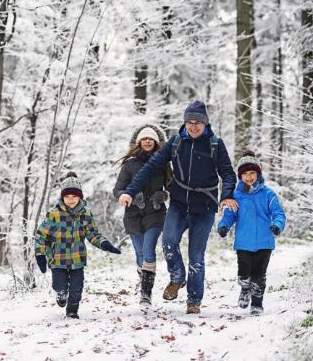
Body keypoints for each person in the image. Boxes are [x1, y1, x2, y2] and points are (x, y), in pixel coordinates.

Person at [118, 101, 237, 314]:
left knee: (196, 255)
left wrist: (227, 195)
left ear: (205, 123)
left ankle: (193, 300)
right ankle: (177, 277)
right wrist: (129, 190)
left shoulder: (215, 144)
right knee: (169, 241)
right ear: (184, 122)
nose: (193, 127)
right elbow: (150, 167)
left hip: (205, 206)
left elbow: (227, 172)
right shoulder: (175, 143)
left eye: (198, 123)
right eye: (190, 122)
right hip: (179, 204)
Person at [35, 172, 121, 319]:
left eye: (74, 196)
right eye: (67, 196)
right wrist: (40, 254)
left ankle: (72, 310)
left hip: (77, 258)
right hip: (58, 259)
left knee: (77, 288)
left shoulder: (85, 214)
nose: (71, 200)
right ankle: (61, 293)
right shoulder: (54, 214)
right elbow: (41, 235)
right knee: (59, 285)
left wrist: (104, 244)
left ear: (80, 196)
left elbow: (92, 234)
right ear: (62, 197)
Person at [216, 150, 286, 316]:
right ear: (240, 176)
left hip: (264, 242)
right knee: (244, 273)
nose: (249, 177)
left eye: (252, 173)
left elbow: (278, 213)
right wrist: (224, 226)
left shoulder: (268, 194)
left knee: (259, 276)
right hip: (243, 242)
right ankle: (244, 289)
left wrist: (277, 225)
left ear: (258, 174)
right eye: (245, 174)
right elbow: (229, 215)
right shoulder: (235, 196)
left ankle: (257, 304)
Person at [112, 124, 169, 306]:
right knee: (139, 253)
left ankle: (146, 292)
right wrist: (126, 196)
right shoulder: (129, 165)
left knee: (148, 249)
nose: (147, 141)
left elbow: (172, 186)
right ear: (139, 143)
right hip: (133, 214)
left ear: (155, 143)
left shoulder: (163, 163)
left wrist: (163, 195)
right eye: (144, 139)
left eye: (150, 139)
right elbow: (118, 189)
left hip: (155, 211)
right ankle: (145, 277)